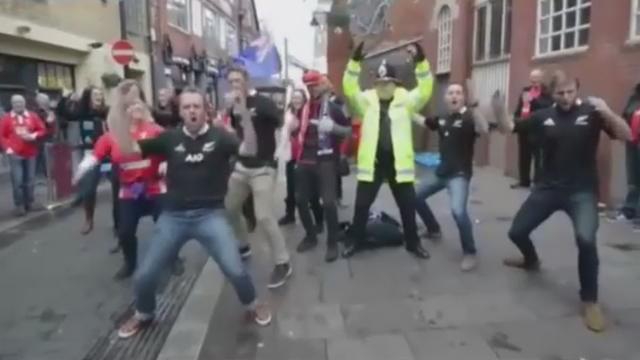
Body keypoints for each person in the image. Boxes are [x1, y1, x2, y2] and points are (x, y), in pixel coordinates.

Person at [114, 86, 271, 338]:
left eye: (196, 106)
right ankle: (144, 313)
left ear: (205, 110)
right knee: (145, 275)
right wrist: (119, 114)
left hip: (210, 215)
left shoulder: (220, 137)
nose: (192, 111)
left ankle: (252, 304)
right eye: (187, 107)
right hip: (173, 217)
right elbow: (129, 150)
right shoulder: (169, 138)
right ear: (180, 112)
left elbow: (249, 150)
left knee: (235, 269)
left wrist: (245, 117)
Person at [504, 70, 631, 333]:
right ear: (553, 94)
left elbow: (627, 135)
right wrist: (495, 109)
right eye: (560, 93)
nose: (565, 97)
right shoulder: (543, 116)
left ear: (577, 88)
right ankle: (531, 260)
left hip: (581, 192)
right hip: (548, 188)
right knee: (516, 232)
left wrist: (607, 110)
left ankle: (590, 300)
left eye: (570, 91)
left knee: (586, 239)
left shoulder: (593, 112)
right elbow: (511, 127)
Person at [341, 42, 434, 259]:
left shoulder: (407, 100)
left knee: (408, 207)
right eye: (380, 82)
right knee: (361, 206)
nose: (383, 85)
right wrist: (354, 62)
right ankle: (356, 240)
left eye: (387, 81)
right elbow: (349, 87)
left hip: (398, 164)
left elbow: (426, 88)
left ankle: (413, 243)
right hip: (372, 164)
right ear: (375, 83)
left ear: (395, 83)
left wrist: (421, 62)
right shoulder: (365, 101)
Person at [73, 81, 168, 279]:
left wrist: (167, 163)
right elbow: (95, 156)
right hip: (130, 191)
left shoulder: (156, 130)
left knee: (169, 228)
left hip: (155, 188)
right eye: (129, 105)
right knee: (124, 232)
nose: (135, 108)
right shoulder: (113, 136)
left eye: (138, 104)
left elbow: (172, 150)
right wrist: (81, 170)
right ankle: (130, 263)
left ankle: (172, 257)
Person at [415, 82, 511, 271]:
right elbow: (425, 122)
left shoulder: (469, 117)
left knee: (458, 212)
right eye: (450, 93)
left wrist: (475, 108)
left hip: (459, 175)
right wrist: (403, 109)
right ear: (445, 98)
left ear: (463, 98)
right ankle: (433, 229)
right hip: (441, 173)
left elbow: (483, 129)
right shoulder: (442, 117)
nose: (454, 96)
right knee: (415, 197)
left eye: (458, 93)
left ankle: (470, 252)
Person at [224, 65, 292, 289]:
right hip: (242, 167)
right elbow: (236, 132)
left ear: (247, 81)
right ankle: (243, 245)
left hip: (263, 167)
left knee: (263, 216)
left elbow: (282, 123)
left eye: (238, 81)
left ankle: (283, 262)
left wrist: (281, 145)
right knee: (229, 208)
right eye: (231, 81)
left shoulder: (263, 103)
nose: (234, 85)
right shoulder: (233, 106)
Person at [293, 71, 351, 262]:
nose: (312, 89)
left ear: (322, 85)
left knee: (328, 202)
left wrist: (333, 128)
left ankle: (332, 242)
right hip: (304, 160)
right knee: (300, 200)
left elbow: (349, 131)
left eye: (315, 85)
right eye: (308, 86)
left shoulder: (333, 108)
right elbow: (297, 133)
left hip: (326, 160)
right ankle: (310, 236)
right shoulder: (303, 110)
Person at [68, 87, 120, 235]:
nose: (99, 96)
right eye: (95, 94)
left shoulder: (107, 112)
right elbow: (67, 114)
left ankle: (119, 224)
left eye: (100, 94)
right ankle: (89, 219)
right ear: (88, 97)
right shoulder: (82, 112)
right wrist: (69, 101)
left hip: (109, 155)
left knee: (118, 190)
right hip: (91, 154)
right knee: (88, 189)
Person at [277, 88, 324, 228]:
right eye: (294, 97)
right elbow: (285, 132)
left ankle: (319, 221)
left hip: (306, 156)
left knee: (311, 193)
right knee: (291, 189)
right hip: (291, 155)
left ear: (304, 99)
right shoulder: (289, 113)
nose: (296, 100)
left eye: (299, 97)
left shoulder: (308, 113)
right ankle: (290, 214)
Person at [0, 94, 47, 216]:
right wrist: (7, 148)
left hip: (30, 152)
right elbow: (2, 135)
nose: (18, 105)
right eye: (15, 103)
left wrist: (33, 136)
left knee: (30, 179)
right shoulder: (6, 118)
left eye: (20, 102)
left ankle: (29, 202)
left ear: (24, 103)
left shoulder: (32, 116)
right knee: (18, 180)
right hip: (15, 154)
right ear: (12, 104)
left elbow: (42, 129)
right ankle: (19, 205)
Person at [512, 69, 554, 189]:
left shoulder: (546, 92)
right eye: (532, 80)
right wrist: (516, 119)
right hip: (524, 127)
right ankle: (524, 180)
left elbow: (547, 106)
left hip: (537, 129)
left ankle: (537, 182)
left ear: (541, 79)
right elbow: (520, 107)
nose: (534, 83)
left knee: (538, 157)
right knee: (523, 156)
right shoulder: (526, 91)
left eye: (536, 80)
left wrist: (533, 101)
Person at [612, 83, 640, 225]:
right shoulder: (634, 97)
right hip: (633, 142)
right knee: (634, 179)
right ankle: (630, 210)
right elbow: (625, 115)